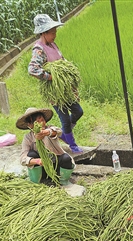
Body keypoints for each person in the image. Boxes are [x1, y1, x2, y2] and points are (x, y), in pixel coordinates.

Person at [28, 14, 84, 154]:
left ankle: (65, 134)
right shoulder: (39, 49)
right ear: (43, 32)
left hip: (65, 89)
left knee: (78, 111)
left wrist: (72, 85)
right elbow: (33, 69)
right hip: (55, 92)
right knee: (64, 118)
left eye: (55, 32)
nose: (55, 35)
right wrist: (51, 77)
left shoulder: (53, 44)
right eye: (52, 32)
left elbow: (62, 62)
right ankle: (72, 145)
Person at [17, 107, 77, 188]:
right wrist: (38, 161)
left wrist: (46, 132)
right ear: (30, 125)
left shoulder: (49, 129)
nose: (41, 123)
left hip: (56, 165)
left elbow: (58, 131)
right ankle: (39, 180)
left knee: (66, 158)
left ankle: (62, 181)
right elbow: (22, 159)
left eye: (42, 120)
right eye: (37, 122)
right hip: (42, 167)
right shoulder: (28, 138)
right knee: (31, 154)